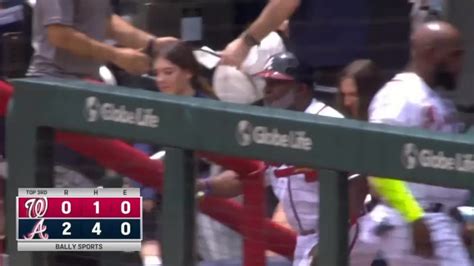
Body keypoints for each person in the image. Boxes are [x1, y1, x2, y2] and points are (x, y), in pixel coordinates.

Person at [201, 51, 377, 266]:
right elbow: (248, 176)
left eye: (275, 84)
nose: (267, 91)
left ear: (301, 89)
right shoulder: (276, 129)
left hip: (345, 228)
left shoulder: (328, 123)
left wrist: (331, 241)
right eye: (266, 83)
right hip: (308, 238)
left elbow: (357, 186)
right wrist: (204, 186)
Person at [366, 21, 471, 265]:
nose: (460, 64)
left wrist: (454, 216)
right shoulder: (400, 96)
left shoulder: (434, 98)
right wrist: (414, 218)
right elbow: (379, 166)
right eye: (454, 54)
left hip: (435, 217)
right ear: (430, 51)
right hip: (415, 217)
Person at [27, 0, 177, 79]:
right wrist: (116, 55)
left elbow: (106, 22)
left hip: (86, 82)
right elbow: (60, 35)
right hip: (52, 79)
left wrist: (152, 44)